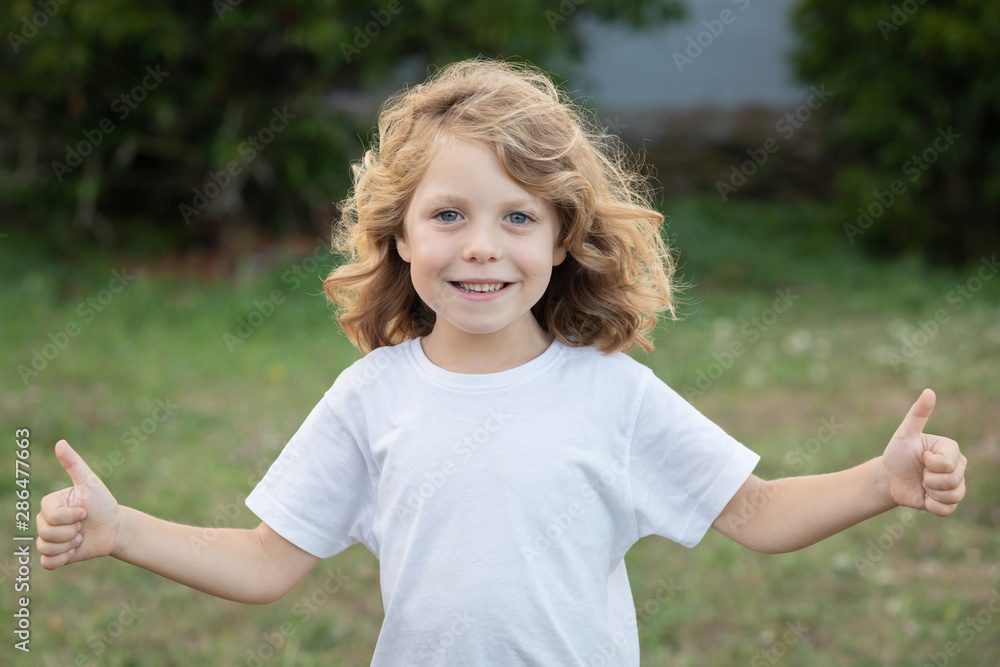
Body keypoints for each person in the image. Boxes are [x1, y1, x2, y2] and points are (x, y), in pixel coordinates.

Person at [37, 57, 967, 666]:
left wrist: (880, 481)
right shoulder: (372, 398)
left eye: (517, 216)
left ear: (562, 239)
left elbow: (758, 513)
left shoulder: (612, 393)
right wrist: (125, 532)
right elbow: (268, 559)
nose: (482, 245)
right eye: (449, 214)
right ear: (399, 235)